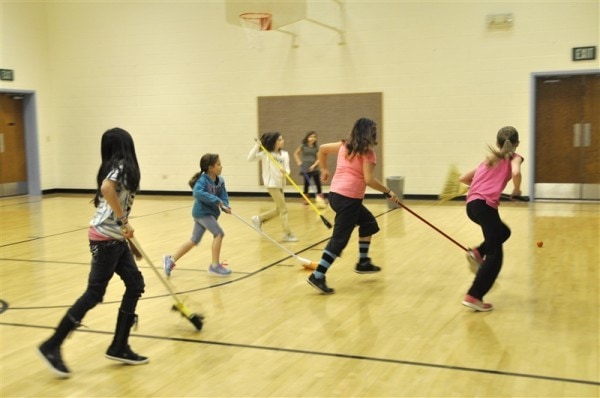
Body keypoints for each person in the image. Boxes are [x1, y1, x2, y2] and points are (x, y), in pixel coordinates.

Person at [37, 127, 147, 378]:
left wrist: (128, 240)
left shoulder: (118, 167)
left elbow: (117, 204)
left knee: (135, 283)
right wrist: (123, 223)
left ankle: (119, 345)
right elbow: (108, 189)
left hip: (115, 239)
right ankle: (52, 345)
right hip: (105, 239)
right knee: (94, 293)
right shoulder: (119, 167)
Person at [306, 118, 400, 294]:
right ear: (370, 134)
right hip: (349, 199)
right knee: (339, 240)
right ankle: (318, 275)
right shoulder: (368, 153)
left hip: (336, 195)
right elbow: (369, 179)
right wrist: (388, 191)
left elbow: (322, 149)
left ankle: (363, 262)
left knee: (369, 223)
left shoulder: (344, 146)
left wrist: (325, 170)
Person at [459, 126, 523, 312]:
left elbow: (463, 178)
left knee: (503, 232)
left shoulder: (488, 159)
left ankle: (478, 252)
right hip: (485, 206)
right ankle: (474, 296)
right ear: (517, 144)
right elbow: (516, 172)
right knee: (496, 255)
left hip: (472, 206)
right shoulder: (515, 158)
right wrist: (516, 191)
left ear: (497, 144)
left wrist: (481, 185)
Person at [163, 153, 232, 277]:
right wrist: (216, 201)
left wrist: (225, 206)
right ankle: (214, 266)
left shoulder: (220, 181)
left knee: (194, 240)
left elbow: (223, 196)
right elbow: (197, 193)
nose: (221, 167)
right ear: (210, 168)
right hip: (202, 213)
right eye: (218, 164)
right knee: (219, 234)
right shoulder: (202, 180)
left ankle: (171, 259)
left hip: (210, 214)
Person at [248, 132, 298, 242]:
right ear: (274, 142)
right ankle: (287, 233)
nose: (282, 141)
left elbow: (288, 169)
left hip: (281, 184)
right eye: (279, 140)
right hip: (271, 184)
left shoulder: (285, 154)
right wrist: (258, 145)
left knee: (278, 209)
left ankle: (259, 219)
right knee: (284, 209)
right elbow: (250, 158)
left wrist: (286, 172)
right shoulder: (266, 154)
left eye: (282, 139)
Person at [293, 131, 326, 208]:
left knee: (318, 183)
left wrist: (314, 165)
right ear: (307, 137)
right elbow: (295, 153)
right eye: (310, 137)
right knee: (306, 184)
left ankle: (320, 199)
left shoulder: (316, 147)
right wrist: (298, 162)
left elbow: (319, 158)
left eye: (314, 137)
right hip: (305, 168)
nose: (312, 138)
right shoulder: (303, 146)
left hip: (314, 168)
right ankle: (305, 199)